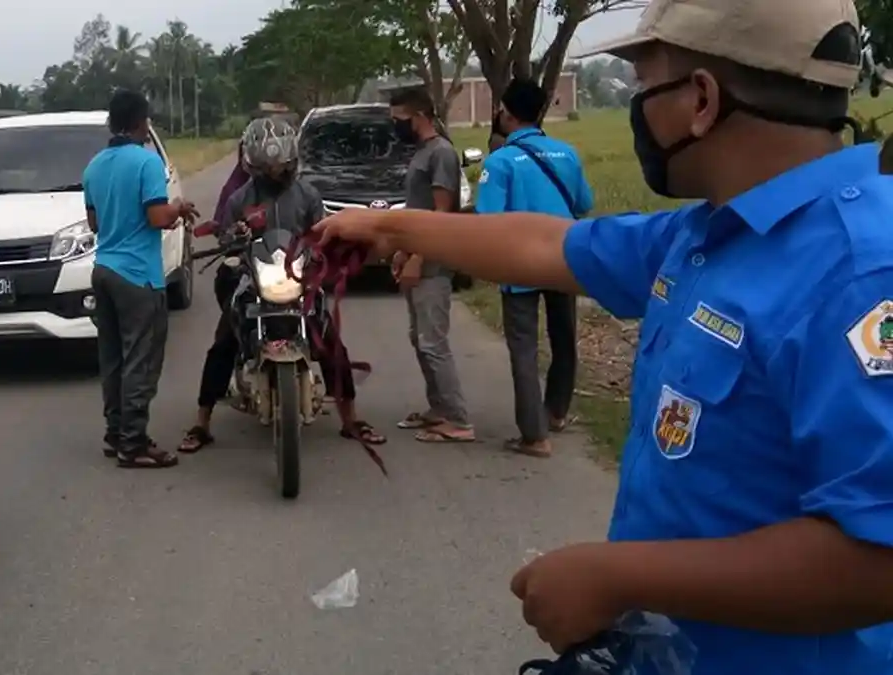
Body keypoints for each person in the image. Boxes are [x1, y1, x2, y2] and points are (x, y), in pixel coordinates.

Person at [313, 0, 893, 672]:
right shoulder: (708, 235)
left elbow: (877, 557)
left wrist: (619, 577)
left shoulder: (861, 274)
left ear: (701, 99)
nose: (639, 108)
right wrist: (391, 228)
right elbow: (548, 243)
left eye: (647, 86)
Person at [177, 117, 386, 453]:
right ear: (253, 164)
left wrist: (331, 248)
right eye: (267, 166)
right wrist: (233, 237)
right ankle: (202, 422)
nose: (275, 172)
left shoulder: (308, 195)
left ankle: (351, 419)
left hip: (299, 280)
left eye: (280, 165)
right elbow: (225, 234)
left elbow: (322, 231)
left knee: (332, 345)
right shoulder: (238, 198)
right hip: (254, 280)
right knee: (224, 343)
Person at [477, 78, 594, 458]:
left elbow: (487, 220)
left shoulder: (500, 162)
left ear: (507, 114)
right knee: (564, 339)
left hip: (520, 265)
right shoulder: (567, 153)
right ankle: (556, 412)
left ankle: (534, 434)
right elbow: (584, 203)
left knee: (524, 348)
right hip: (564, 257)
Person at [84, 90, 197, 469]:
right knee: (141, 361)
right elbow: (157, 218)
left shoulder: (94, 166)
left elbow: (95, 224)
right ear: (140, 123)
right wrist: (178, 208)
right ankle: (133, 443)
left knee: (113, 357)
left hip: (103, 271)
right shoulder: (147, 163)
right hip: (137, 276)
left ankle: (115, 433)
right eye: (147, 120)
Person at [387, 87, 474, 443]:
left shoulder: (441, 154)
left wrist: (420, 257)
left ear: (419, 116)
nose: (396, 127)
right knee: (419, 339)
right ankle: (437, 408)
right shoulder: (422, 152)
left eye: (399, 120)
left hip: (433, 264)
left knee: (433, 342)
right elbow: (416, 209)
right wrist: (402, 250)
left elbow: (441, 214)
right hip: (416, 255)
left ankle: (458, 420)